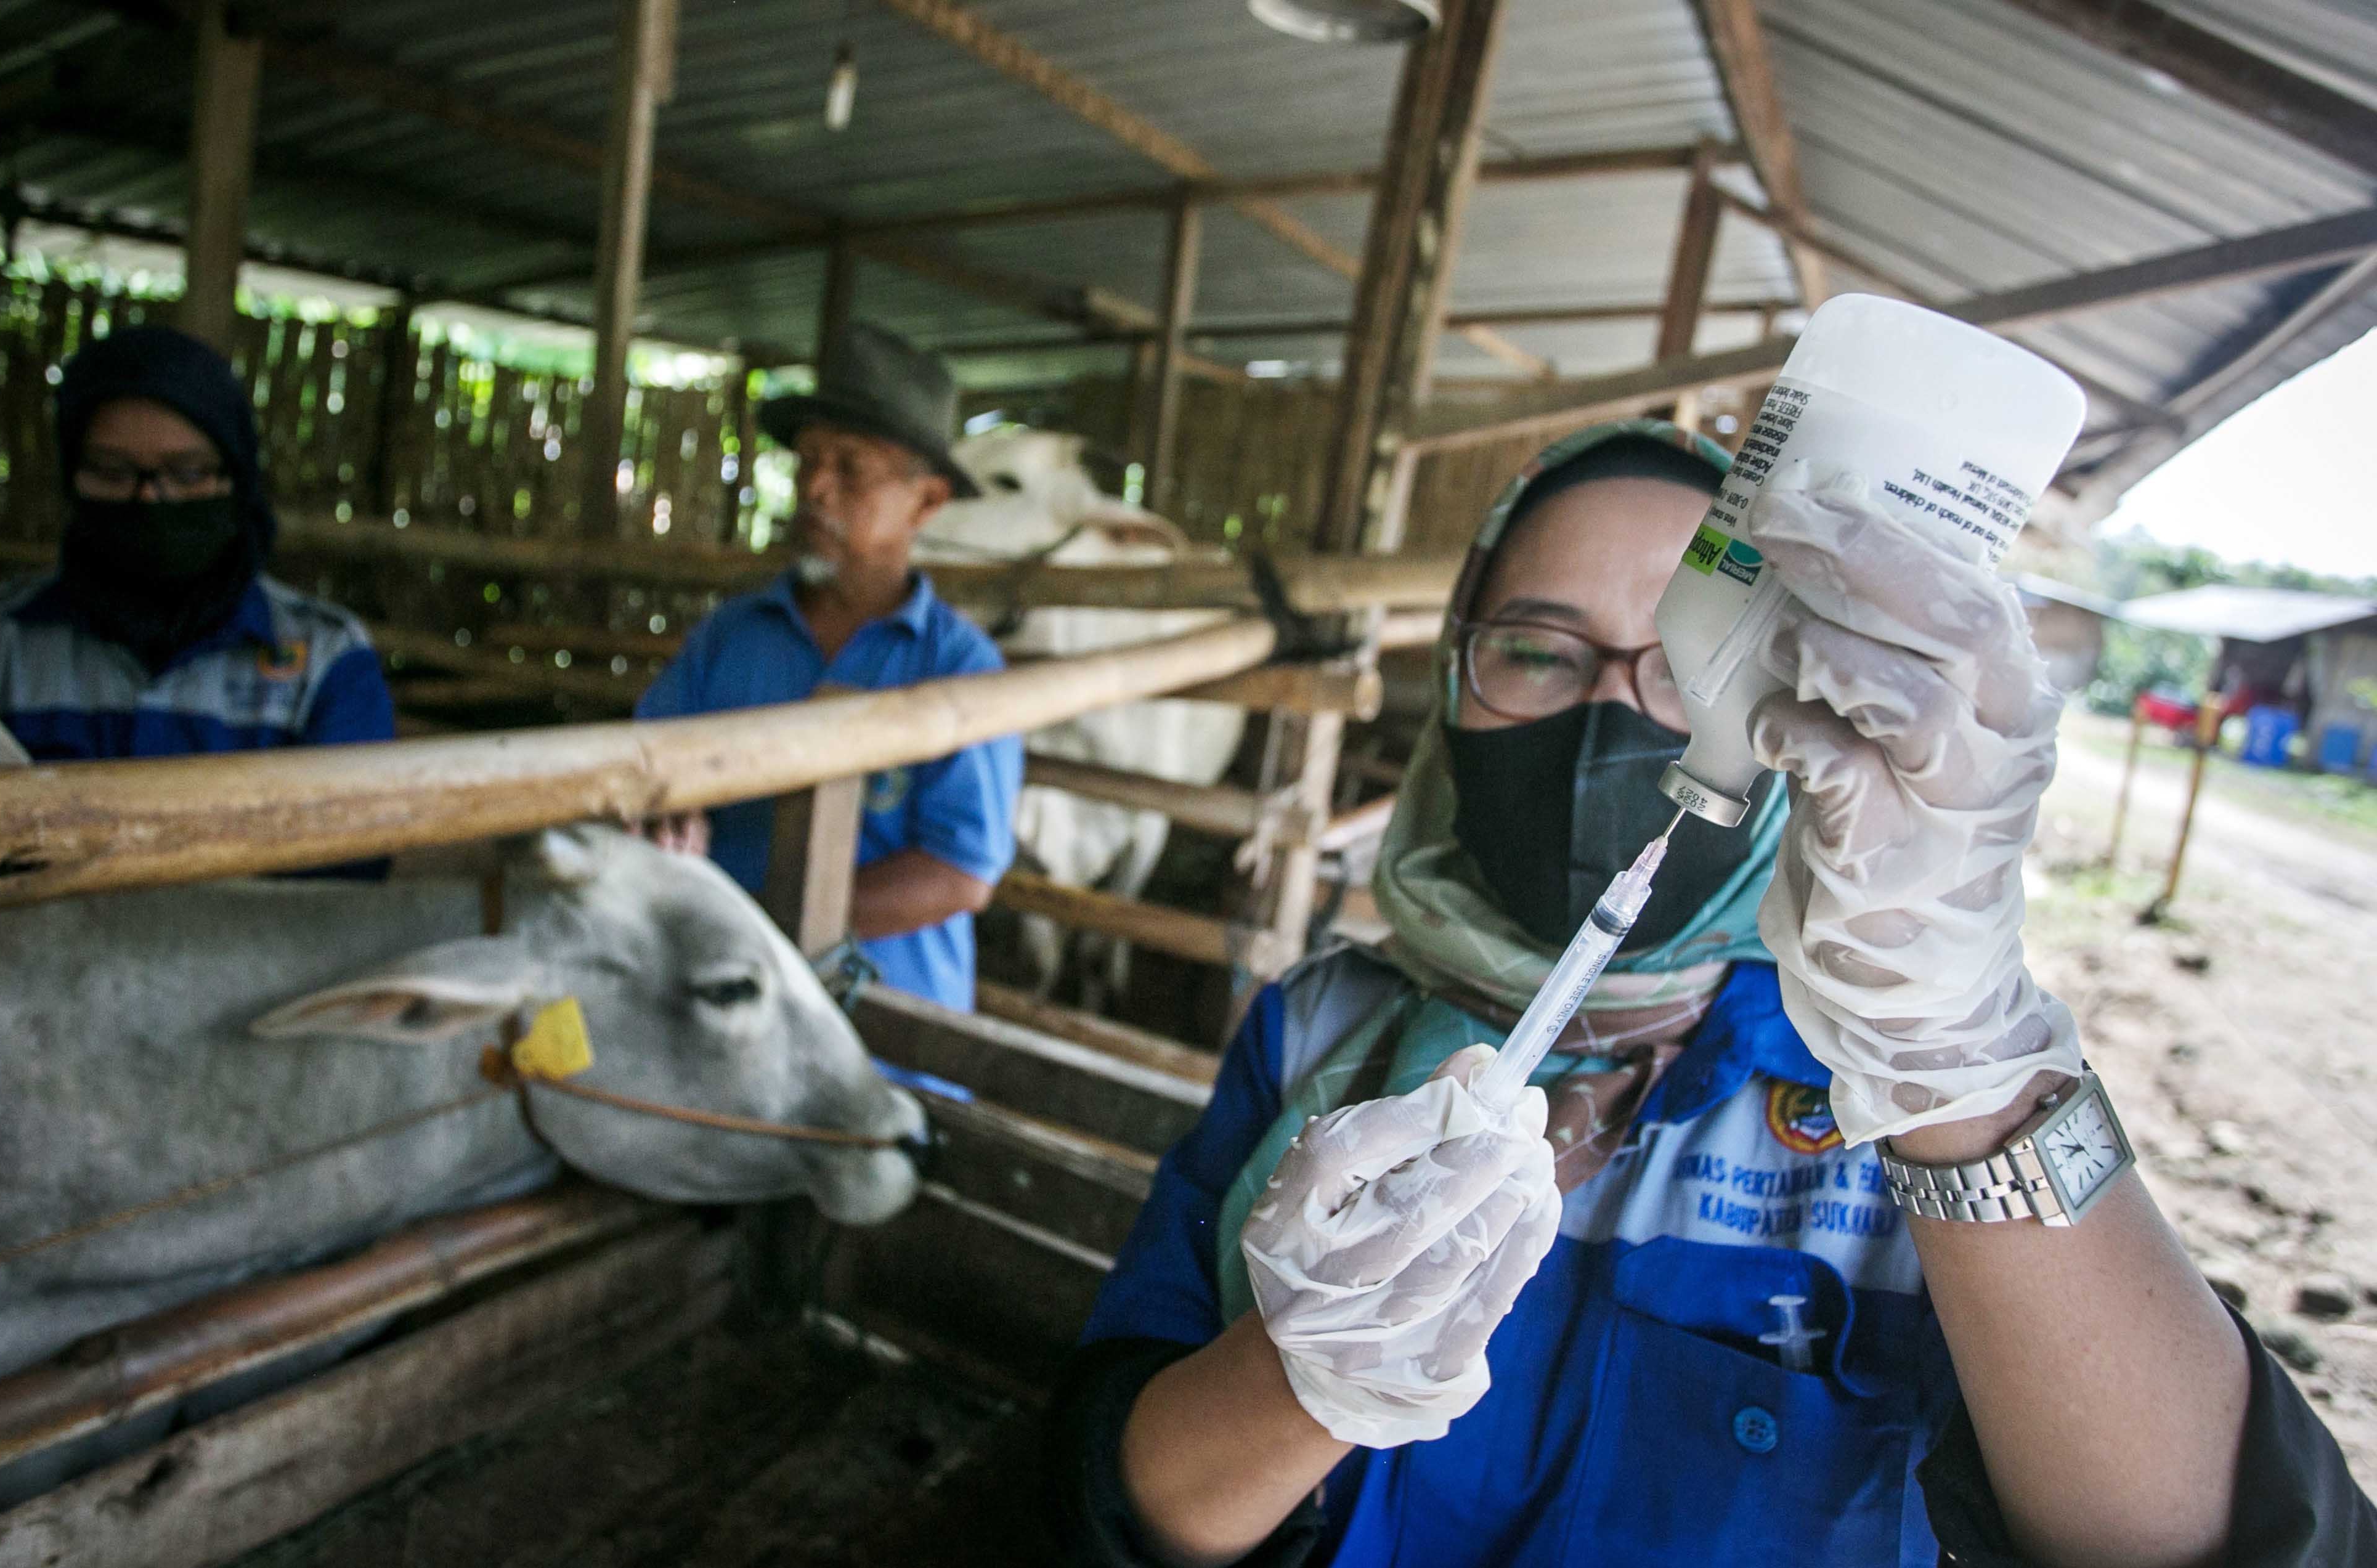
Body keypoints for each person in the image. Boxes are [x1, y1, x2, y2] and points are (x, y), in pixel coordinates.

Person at [1049, 421, 2372, 1567]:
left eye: (1693, 665)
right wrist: (1304, 1377)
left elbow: (2220, 1541)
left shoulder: (1907, 1096)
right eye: (1535, 651)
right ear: (1454, 680)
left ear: (1792, 706)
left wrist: (1955, 1054)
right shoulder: (1316, 1029)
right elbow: (1121, 1498)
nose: (1608, 717)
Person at [637, 324, 1021, 1010]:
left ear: (927, 502)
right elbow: (646, 765)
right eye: (809, 460)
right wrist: (666, 809)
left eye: (851, 469)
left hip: (888, 1022)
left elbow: (959, 873)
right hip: (721, 1004)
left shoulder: (960, 667)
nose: (815, 487)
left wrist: (761, 924)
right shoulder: (731, 635)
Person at [0, 326, 396, 875]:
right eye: (112, 472)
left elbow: (349, 873)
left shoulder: (324, 660)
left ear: (235, 477)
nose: (149, 497)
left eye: (187, 473)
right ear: (72, 474)